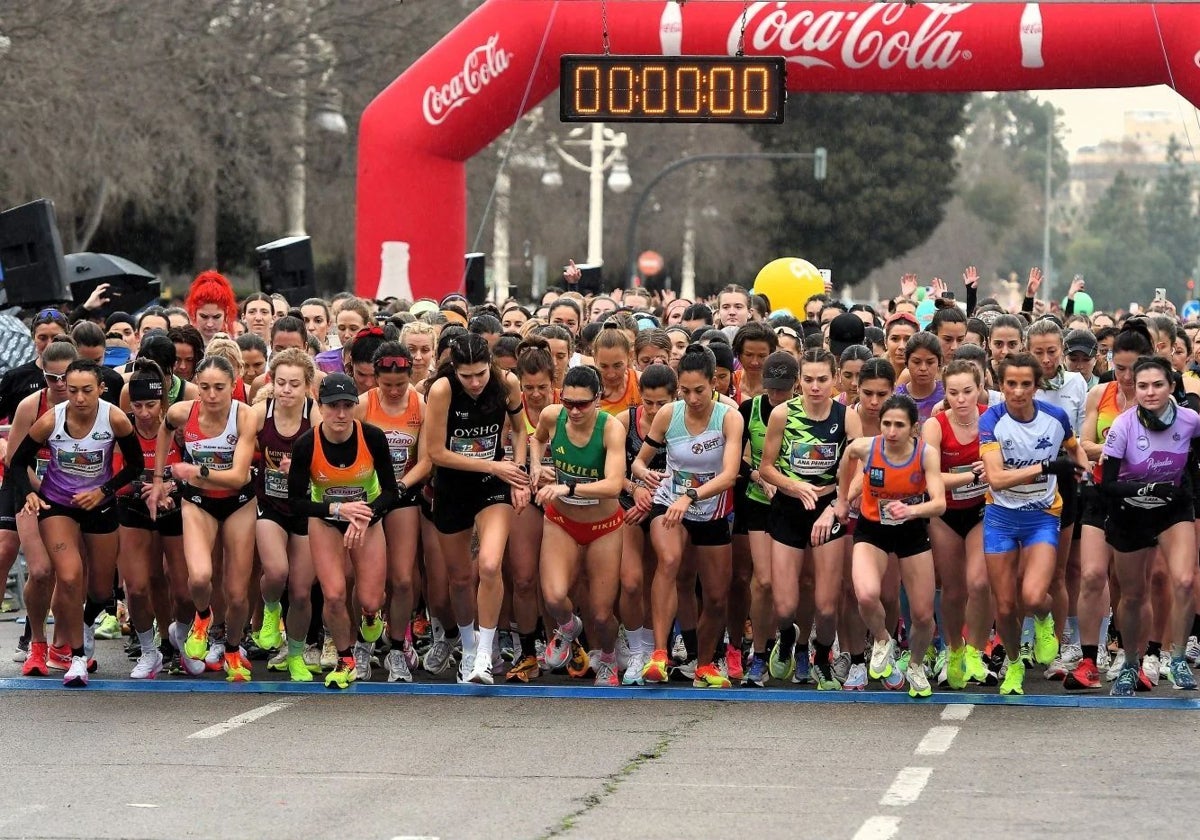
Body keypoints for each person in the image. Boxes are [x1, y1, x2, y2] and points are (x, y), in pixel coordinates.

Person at [9, 359, 143, 686]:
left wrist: (103, 491)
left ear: (101, 388)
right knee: (69, 576)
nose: (79, 398)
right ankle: (77, 656)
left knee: (99, 590)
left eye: (86, 390)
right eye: (72, 391)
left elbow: (136, 465)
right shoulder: (49, 420)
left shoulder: (113, 418)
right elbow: (17, 462)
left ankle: (85, 623)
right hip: (57, 504)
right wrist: (29, 492)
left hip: (99, 505)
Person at [633, 344, 743, 688]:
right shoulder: (669, 414)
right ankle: (660, 655)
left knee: (715, 595)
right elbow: (639, 459)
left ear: (715, 384)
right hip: (669, 503)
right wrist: (643, 473)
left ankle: (705, 665)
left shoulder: (729, 417)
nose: (693, 398)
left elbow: (729, 475)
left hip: (711, 512)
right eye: (685, 391)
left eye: (700, 390)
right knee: (669, 559)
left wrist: (692, 495)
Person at [979, 353, 1088, 696]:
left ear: (1036, 386)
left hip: (1041, 516)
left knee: (1034, 594)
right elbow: (995, 479)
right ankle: (1013, 663)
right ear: (1001, 385)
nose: (1018, 391)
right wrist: (1043, 467)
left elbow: (1073, 447)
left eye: (1026, 384)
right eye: (1011, 384)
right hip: (1000, 517)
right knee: (1006, 604)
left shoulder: (1055, 417)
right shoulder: (991, 420)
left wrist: (1081, 467)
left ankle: (1043, 619)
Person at [426, 334, 530, 684]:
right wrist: (491, 465)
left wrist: (516, 472)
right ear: (454, 370)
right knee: (459, 577)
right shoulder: (442, 390)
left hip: (493, 486)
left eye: (481, 374)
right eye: (466, 376)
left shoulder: (507, 382)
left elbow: (520, 430)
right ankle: (468, 646)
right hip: (454, 486)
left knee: (488, 564)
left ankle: (486, 652)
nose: (474, 382)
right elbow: (436, 453)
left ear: (492, 366)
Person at [149, 355, 258, 681]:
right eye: (205, 388)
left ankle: (233, 649)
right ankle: (202, 617)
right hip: (198, 501)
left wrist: (195, 470)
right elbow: (164, 429)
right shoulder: (183, 412)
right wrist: (158, 478)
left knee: (237, 595)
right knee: (198, 578)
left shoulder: (245, 416)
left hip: (238, 502)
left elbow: (239, 476)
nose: (211, 396)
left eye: (219, 388)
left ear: (233, 385)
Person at [287, 373, 399, 689]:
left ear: (355, 407)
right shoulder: (307, 444)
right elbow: (295, 502)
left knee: (371, 598)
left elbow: (391, 491)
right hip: (326, 521)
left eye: (347, 406)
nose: (340, 414)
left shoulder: (373, 437)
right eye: (333, 406)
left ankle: (371, 615)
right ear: (320, 407)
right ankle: (346, 658)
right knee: (334, 595)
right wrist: (337, 510)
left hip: (367, 520)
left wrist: (365, 514)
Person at [759, 348, 862, 689]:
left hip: (827, 509)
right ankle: (788, 637)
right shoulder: (783, 414)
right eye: (808, 380)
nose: (815, 387)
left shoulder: (846, 417)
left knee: (827, 606)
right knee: (785, 605)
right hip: (789, 508)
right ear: (798, 381)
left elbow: (860, 470)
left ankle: (821, 658)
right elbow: (766, 468)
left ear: (835, 380)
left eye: (822, 380)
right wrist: (793, 485)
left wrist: (836, 505)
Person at [1099, 356, 1200, 695]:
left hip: (1172, 510)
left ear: (1171, 387)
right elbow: (1108, 484)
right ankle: (1130, 662)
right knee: (1133, 594)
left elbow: (1196, 465)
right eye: (1142, 386)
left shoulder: (1190, 421)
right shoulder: (1124, 426)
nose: (1150, 392)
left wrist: (1188, 493)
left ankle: (1178, 658)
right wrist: (1146, 489)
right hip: (1130, 511)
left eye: (1157, 385)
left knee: (1184, 580)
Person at [835, 394, 946, 697]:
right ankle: (883, 639)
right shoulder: (866, 448)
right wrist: (843, 499)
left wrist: (911, 510)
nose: (892, 431)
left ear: (913, 428)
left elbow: (939, 504)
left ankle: (917, 665)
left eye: (899, 425)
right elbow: (847, 458)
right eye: (886, 424)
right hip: (873, 530)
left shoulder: (926, 454)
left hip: (911, 531)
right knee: (867, 594)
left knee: (923, 616)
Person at [530, 366, 627, 686]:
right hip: (562, 521)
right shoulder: (551, 416)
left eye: (582, 404)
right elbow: (536, 438)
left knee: (601, 613)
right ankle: (569, 627)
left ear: (597, 400)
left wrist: (567, 487)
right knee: (555, 597)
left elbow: (613, 484)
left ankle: (610, 657)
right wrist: (536, 464)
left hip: (604, 526)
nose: (573, 410)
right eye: (568, 402)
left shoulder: (610, 428)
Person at [358, 342, 432, 682]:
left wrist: (400, 488)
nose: (392, 390)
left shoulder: (420, 404)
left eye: (399, 384)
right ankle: (362, 642)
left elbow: (428, 459)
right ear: (375, 379)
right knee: (366, 580)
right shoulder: (364, 404)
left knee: (402, 579)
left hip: (403, 494)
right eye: (386, 384)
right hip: (368, 496)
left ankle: (397, 646)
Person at [922, 360, 994, 688]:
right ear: (944, 392)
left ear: (979, 389)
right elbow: (929, 477)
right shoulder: (935, 426)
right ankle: (953, 649)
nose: (961, 399)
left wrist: (993, 469)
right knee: (953, 590)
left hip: (982, 510)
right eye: (953, 393)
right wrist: (971, 474)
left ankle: (976, 652)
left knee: (980, 583)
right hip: (945, 514)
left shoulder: (993, 418)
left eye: (967, 391)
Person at [252, 349, 323, 681]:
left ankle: (295, 654)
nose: (287, 390)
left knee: (300, 591)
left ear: (307, 386)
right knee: (277, 572)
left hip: (306, 510)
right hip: (271, 506)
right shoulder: (259, 413)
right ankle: (269, 609)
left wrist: (303, 468)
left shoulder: (316, 416)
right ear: (271, 382)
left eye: (295, 384)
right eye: (281, 383)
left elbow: (331, 463)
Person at [113, 360, 186, 679]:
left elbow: (197, 470)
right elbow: (115, 477)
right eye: (138, 405)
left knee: (184, 590)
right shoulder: (123, 429)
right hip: (133, 509)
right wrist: (146, 488)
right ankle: (148, 650)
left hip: (176, 508)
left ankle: (178, 640)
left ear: (164, 403)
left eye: (151, 405)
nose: (144, 413)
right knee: (138, 587)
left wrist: (173, 486)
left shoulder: (178, 429)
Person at [738, 351, 798, 687]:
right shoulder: (749, 410)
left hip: (792, 503)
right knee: (762, 582)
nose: (777, 396)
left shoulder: (805, 411)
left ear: (796, 384)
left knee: (789, 585)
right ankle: (759, 654)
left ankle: (789, 634)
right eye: (772, 389)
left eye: (784, 390)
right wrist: (760, 478)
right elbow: (737, 459)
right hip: (759, 501)